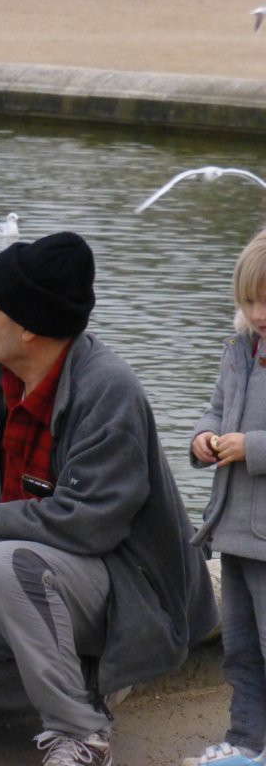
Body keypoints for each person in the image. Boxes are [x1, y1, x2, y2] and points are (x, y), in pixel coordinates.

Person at [0, 231, 218, 766]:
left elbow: (89, 522)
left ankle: (83, 735)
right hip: (49, 580)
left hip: (132, 591)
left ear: (29, 326)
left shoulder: (108, 389)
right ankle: (91, 688)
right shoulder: (6, 381)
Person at [186, 229, 266, 766]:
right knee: (238, 646)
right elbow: (217, 408)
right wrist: (204, 437)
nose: (257, 313)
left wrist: (251, 447)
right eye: (250, 300)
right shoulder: (239, 348)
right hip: (233, 527)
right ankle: (246, 740)